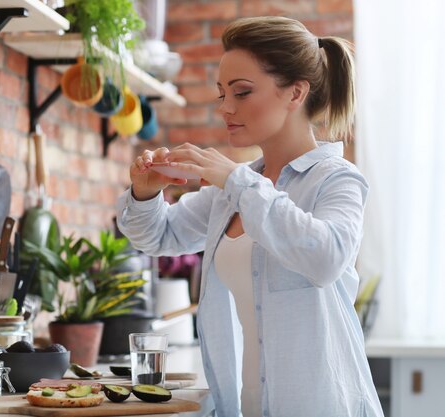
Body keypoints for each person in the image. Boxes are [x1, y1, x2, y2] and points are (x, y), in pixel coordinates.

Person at [116, 16, 384, 417]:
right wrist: (146, 189)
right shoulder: (233, 191)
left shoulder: (336, 179)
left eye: (242, 92)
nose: (225, 108)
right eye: (222, 93)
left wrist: (234, 180)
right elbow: (158, 236)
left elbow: (325, 258)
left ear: (295, 93)